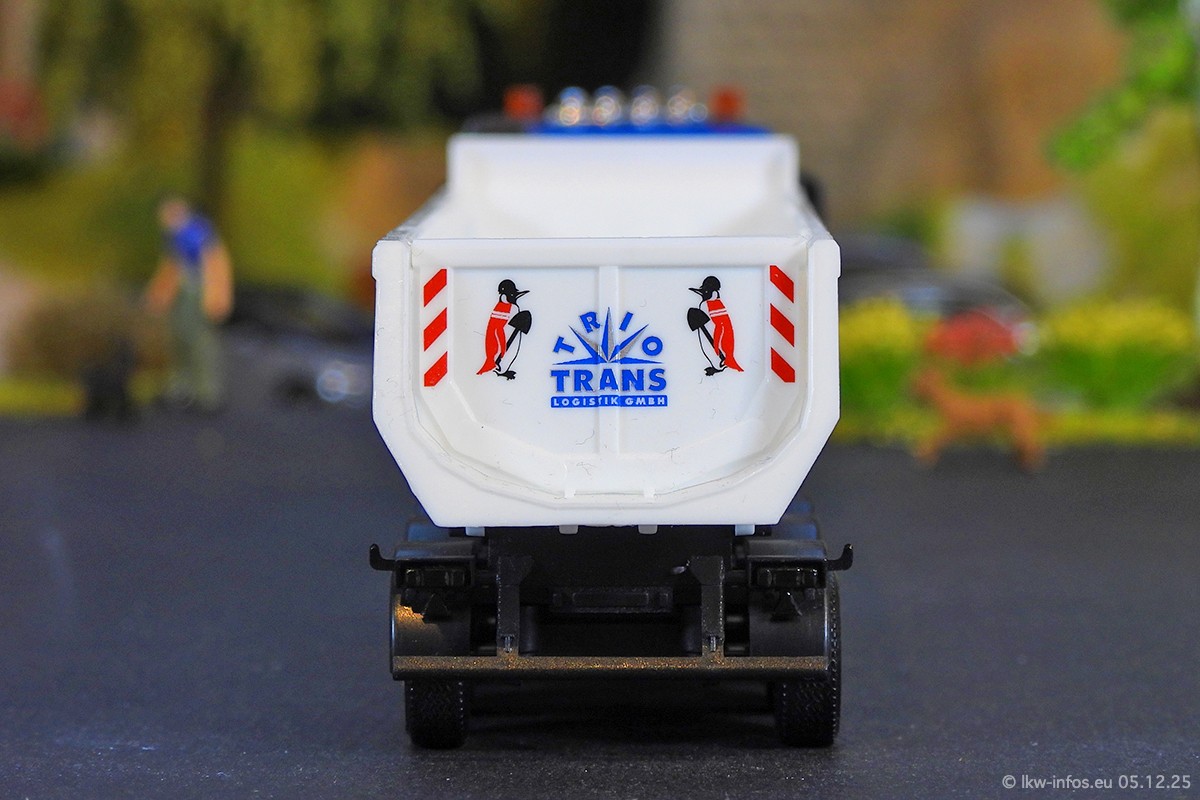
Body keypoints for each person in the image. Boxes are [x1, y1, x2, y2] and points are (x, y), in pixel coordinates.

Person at [144, 196, 233, 411]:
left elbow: (216, 265)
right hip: (183, 291)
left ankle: (207, 394)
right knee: (179, 337)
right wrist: (159, 294)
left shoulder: (198, 233)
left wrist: (217, 297)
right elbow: (171, 266)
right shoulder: (174, 236)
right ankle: (181, 388)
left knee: (199, 341)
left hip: (200, 291)